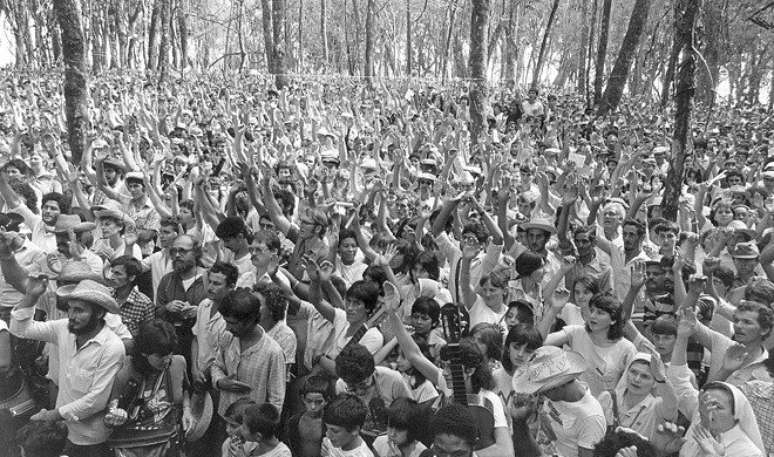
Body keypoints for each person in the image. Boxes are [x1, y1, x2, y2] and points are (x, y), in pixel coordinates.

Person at [9, 277, 125, 457]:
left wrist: (51, 415)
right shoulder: (64, 328)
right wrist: (31, 297)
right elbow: (21, 330)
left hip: (90, 439)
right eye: (70, 308)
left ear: (99, 314)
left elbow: (95, 401)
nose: (71, 315)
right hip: (62, 431)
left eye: (79, 310)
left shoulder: (112, 347)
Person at [104, 319, 193, 457]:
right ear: (144, 353)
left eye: (169, 353)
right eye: (160, 356)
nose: (167, 360)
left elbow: (184, 390)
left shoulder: (178, 363)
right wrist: (114, 416)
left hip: (168, 441)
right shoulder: (125, 372)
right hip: (132, 447)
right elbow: (110, 413)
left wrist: (187, 410)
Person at [512, 346, 606, 457]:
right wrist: (519, 420)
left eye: (544, 389)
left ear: (560, 384)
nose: (541, 394)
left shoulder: (590, 418)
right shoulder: (552, 396)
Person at [212, 288, 286, 418]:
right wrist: (220, 382)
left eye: (232, 323)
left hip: (252, 425)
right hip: (225, 417)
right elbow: (217, 365)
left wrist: (260, 425)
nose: (227, 328)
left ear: (250, 320)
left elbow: (276, 400)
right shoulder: (228, 337)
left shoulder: (273, 352)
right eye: (226, 322)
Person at [107, 255, 154, 338]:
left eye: (118, 274)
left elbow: (148, 335)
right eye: (112, 273)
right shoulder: (106, 295)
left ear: (131, 277)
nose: (112, 277)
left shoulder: (144, 304)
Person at [285, 376, 333, 457]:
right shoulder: (294, 422)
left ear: (327, 401)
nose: (313, 406)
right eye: (309, 401)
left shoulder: (331, 424)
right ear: (303, 399)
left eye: (318, 402)